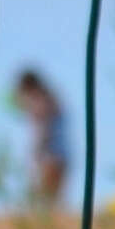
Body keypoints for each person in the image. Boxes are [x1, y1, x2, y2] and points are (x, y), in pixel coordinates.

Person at [9, 66, 71, 208]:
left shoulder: (41, 101)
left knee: (43, 199)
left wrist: (38, 150)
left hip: (48, 153)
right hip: (59, 152)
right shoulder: (50, 98)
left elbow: (44, 127)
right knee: (52, 200)